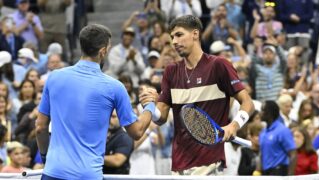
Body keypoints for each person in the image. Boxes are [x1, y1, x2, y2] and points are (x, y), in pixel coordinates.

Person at [35, 24, 156, 179]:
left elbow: (40, 127)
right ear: (103, 51)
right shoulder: (115, 87)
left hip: (53, 172)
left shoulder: (54, 77)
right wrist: (150, 105)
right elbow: (137, 132)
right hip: (88, 175)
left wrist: (46, 158)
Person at [149, 15, 254, 175]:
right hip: (178, 165)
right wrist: (149, 105)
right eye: (172, 37)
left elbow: (247, 103)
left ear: (195, 34)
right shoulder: (170, 71)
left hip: (208, 163)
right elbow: (161, 118)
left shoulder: (219, 65)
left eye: (179, 35)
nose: (174, 42)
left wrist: (234, 125)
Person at [259, 101, 297, 175]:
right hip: (265, 173)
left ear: (269, 113)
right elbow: (261, 154)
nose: (260, 113)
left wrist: (290, 177)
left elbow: (293, 154)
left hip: (279, 172)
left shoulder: (283, 130)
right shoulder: (263, 132)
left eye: (262, 110)